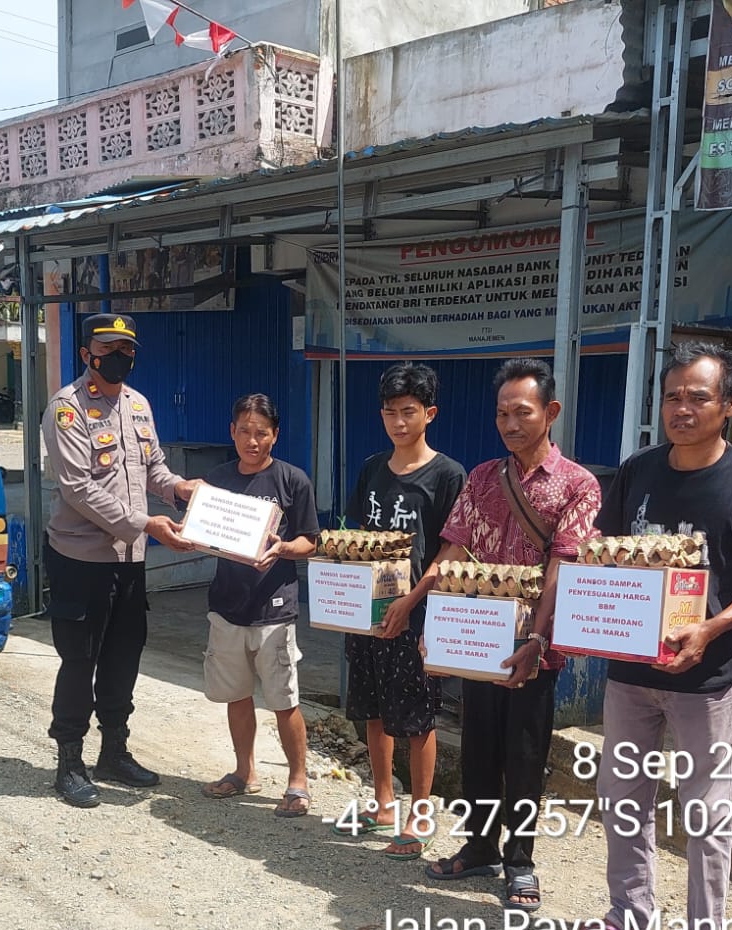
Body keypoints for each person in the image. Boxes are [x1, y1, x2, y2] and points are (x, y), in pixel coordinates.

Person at [590, 341, 732, 930]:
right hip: (631, 669)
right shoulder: (638, 471)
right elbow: (611, 551)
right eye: (673, 396)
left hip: (706, 677)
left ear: (730, 405)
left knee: (706, 811)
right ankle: (629, 910)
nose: (682, 408)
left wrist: (710, 627)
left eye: (699, 397)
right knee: (623, 796)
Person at [420, 358, 600, 910]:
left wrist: (539, 641)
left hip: (535, 650)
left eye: (522, 412)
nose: (510, 423)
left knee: (523, 756)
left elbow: (563, 569)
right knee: (477, 749)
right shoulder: (480, 478)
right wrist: (428, 615)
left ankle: (520, 860)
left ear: (550, 413)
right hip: (478, 640)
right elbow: (452, 550)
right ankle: (479, 846)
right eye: (502, 413)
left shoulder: (578, 485)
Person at [41, 313, 199, 809]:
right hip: (80, 557)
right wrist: (146, 525)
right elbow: (79, 488)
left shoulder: (138, 405)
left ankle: (114, 751)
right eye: (109, 348)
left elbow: (153, 467)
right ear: (87, 354)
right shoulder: (67, 409)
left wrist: (177, 489)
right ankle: (70, 760)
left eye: (128, 349)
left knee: (123, 654)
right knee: (80, 658)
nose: (120, 357)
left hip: (129, 557)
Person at [343, 362, 466, 861]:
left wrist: (411, 606)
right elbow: (354, 539)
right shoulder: (372, 468)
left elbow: (450, 553)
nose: (398, 422)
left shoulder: (448, 475)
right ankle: (383, 800)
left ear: (429, 413)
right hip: (367, 613)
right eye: (390, 413)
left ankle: (420, 813)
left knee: (418, 718)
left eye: (408, 412)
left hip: (416, 616)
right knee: (371, 709)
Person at [198, 394, 321, 816]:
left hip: (275, 608)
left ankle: (297, 782)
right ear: (232, 431)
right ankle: (243, 771)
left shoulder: (292, 480)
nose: (253, 441)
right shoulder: (214, 480)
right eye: (245, 431)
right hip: (228, 606)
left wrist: (285, 548)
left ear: (275, 435)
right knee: (237, 695)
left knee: (284, 700)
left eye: (262, 433)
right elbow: (201, 530)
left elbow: (311, 539)